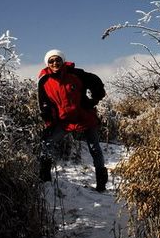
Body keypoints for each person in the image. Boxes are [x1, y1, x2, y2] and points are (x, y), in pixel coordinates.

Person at [37, 49, 108, 192]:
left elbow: (95, 82)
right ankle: (45, 180)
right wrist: (49, 121)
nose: (55, 63)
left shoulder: (76, 74)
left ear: (62, 60)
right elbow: (44, 103)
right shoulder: (44, 81)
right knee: (47, 143)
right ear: (47, 63)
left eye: (58, 60)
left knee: (94, 149)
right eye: (51, 61)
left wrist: (94, 99)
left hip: (84, 117)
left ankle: (101, 184)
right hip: (64, 121)